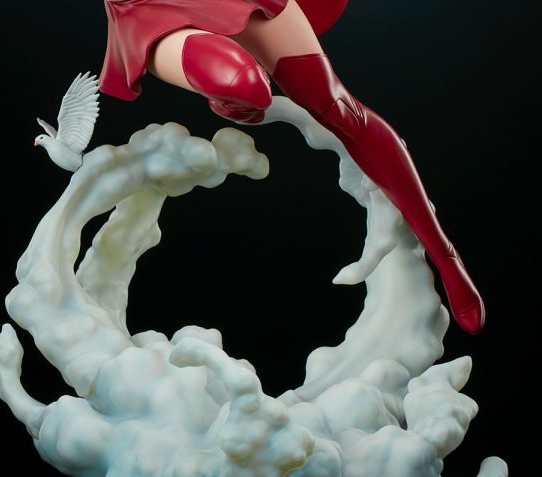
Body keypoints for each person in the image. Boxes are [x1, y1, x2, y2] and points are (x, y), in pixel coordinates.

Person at [100, 0, 485, 334]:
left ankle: (445, 255)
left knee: (339, 107)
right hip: (147, 8)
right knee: (245, 85)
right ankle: (231, 95)